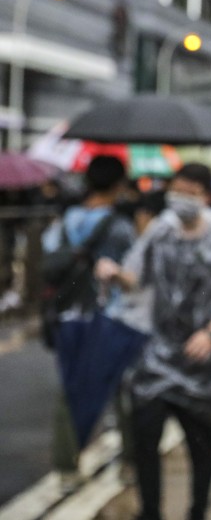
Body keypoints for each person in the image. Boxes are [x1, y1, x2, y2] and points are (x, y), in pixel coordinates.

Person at [95, 163, 211, 520]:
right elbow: (136, 278)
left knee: (201, 449)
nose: (181, 199)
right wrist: (115, 274)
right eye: (177, 190)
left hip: (201, 362)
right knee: (145, 442)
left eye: (190, 192)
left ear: (206, 197)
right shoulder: (160, 231)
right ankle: (150, 512)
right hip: (156, 357)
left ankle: (197, 511)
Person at [41, 156, 136, 490]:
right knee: (121, 390)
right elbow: (133, 275)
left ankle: (67, 468)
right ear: (119, 185)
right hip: (109, 317)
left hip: (67, 317)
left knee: (71, 390)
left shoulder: (66, 220)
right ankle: (129, 463)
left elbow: (49, 255)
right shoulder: (120, 227)